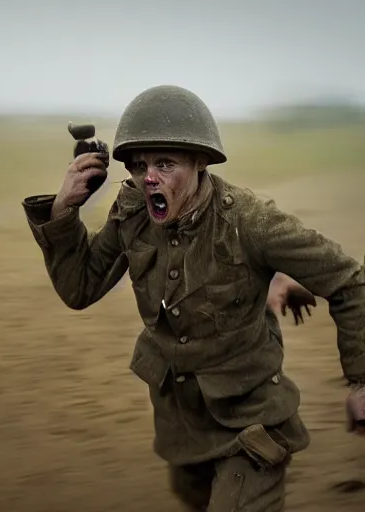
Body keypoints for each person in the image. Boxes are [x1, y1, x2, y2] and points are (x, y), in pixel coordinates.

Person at [21, 84, 365, 511]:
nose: (149, 178)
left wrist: (362, 380)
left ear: (201, 162)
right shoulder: (132, 211)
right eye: (140, 165)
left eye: (165, 164)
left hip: (251, 418)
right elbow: (80, 288)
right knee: (193, 497)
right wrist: (63, 211)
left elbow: (350, 280)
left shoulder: (251, 222)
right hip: (181, 421)